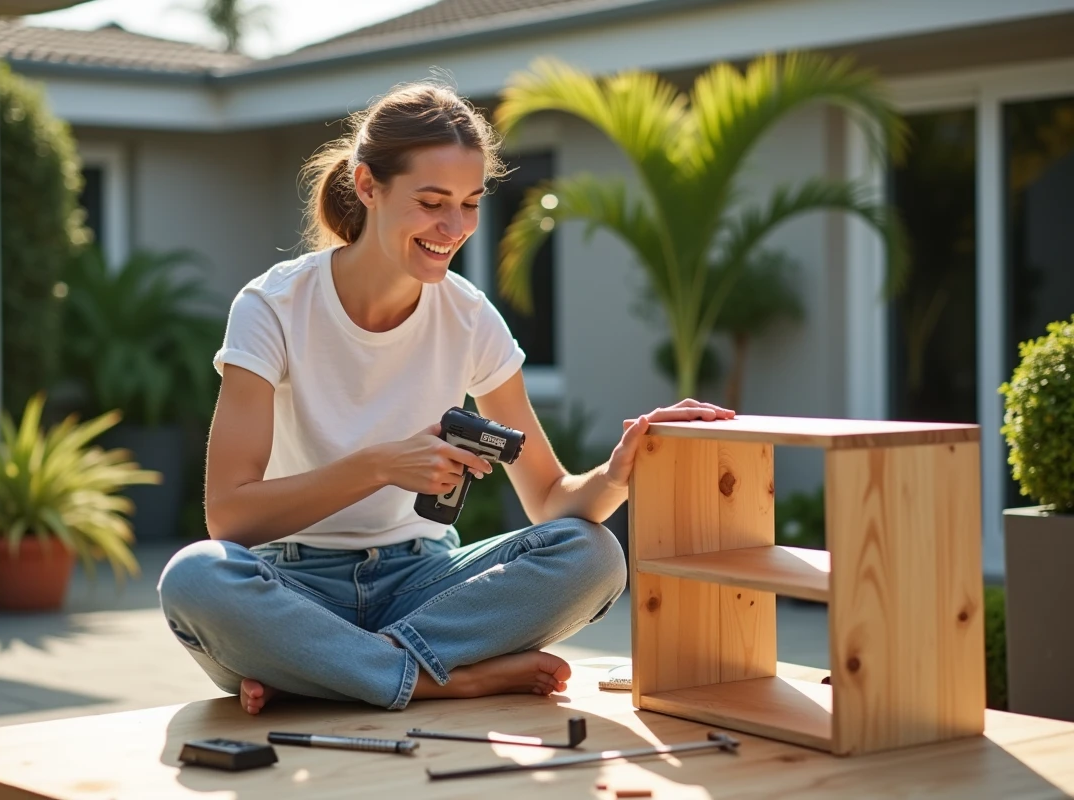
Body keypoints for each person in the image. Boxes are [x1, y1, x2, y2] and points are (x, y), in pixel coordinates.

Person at [156, 80, 734, 715]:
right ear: (368, 186)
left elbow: (548, 500)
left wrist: (619, 472)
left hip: (422, 583)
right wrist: (382, 465)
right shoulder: (272, 306)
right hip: (293, 583)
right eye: (432, 202)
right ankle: (444, 677)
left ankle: (325, 668)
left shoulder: (469, 317)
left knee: (594, 555)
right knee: (196, 578)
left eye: (470, 203)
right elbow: (229, 519)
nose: (454, 228)